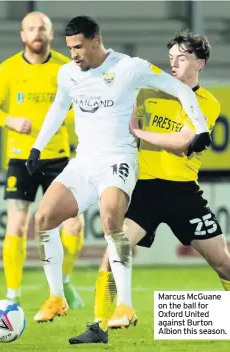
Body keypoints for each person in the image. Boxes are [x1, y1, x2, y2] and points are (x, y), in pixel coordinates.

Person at [25, 17, 210, 339]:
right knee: (43, 217)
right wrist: (37, 148)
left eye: (79, 47)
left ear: (96, 40)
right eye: (69, 48)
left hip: (118, 158)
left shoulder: (129, 67)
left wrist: (202, 129)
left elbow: (180, 88)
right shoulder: (67, 73)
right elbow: (58, 107)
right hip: (84, 161)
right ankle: (56, 297)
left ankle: (124, 304)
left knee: (111, 218)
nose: (73, 54)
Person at [78, 30, 230, 342]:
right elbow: (125, 121)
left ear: (199, 63)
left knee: (224, 264)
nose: (174, 63)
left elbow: (182, 142)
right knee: (112, 252)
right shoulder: (148, 91)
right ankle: (99, 327)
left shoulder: (207, 103)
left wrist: (141, 132)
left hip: (183, 193)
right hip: (145, 190)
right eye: (171, 57)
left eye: (182, 58)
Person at [0, 11, 84, 310]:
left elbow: (84, 105)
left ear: (51, 35)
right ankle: (12, 294)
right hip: (20, 157)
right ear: (23, 36)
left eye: (43, 28)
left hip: (58, 158)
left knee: (74, 226)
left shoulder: (68, 69)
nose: (37, 33)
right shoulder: (7, 70)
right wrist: (9, 119)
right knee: (16, 225)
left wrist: (63, 119)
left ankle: (63, 283)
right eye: (31, 29)